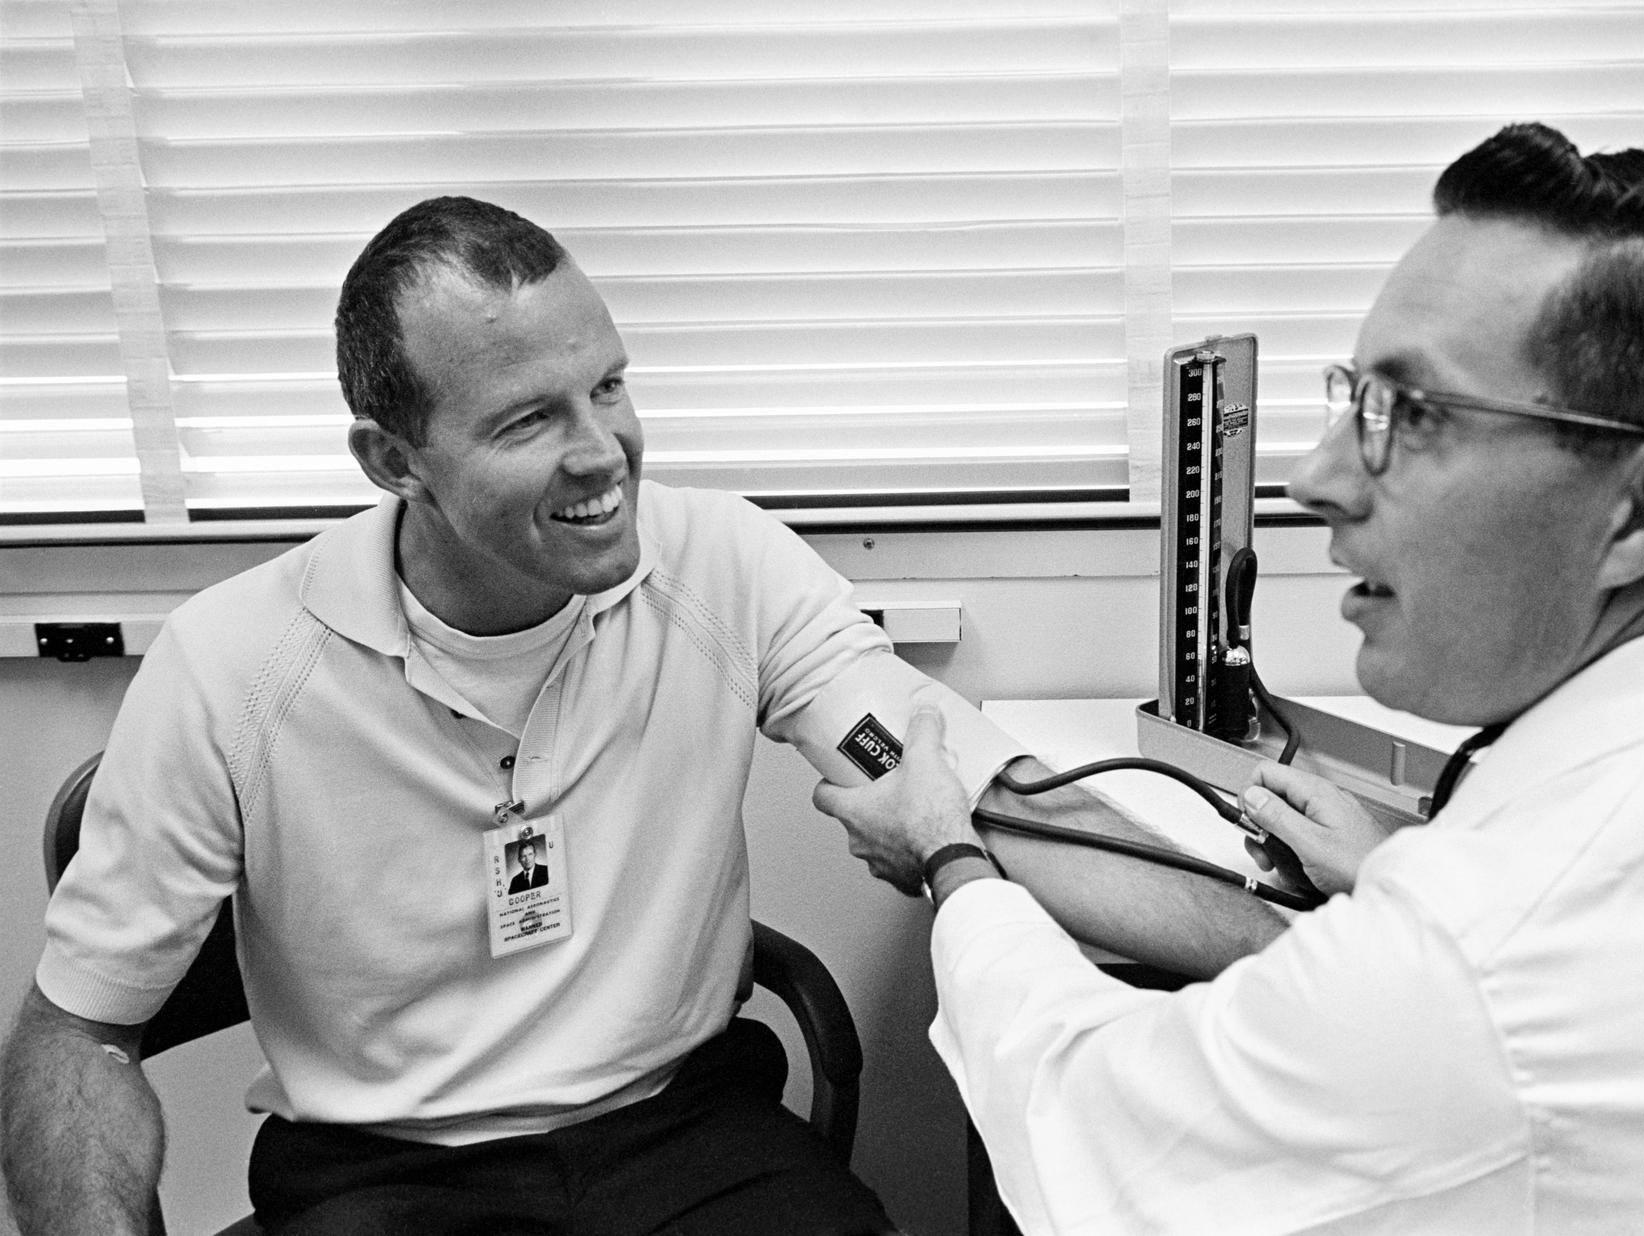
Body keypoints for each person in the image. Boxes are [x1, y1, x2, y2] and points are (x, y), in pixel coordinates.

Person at [0, 197, 1282, 1236]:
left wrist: (1311, 955)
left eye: (609, 386)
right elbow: (77, 1035)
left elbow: (969, 795)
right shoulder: (232, 668)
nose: (604, 451)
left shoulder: (721, 567)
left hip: (683, 1130)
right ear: (393, 461)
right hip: (386, 1177)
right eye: (528, 419)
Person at [815, 123, 1644, 1233]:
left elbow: (1093, 1134)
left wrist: (949, 855)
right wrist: (1406, 867)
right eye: (1354, 398)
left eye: (1415, 416)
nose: (1319, 477)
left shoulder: (1480, 961)